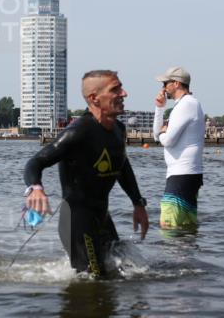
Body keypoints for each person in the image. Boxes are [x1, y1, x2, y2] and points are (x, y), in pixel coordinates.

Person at [24, 70, 148, 277]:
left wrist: (138, 203)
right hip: (77, 221)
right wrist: (35, 188)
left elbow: (122, 166)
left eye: (121, 88)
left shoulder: (118, 129)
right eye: (115, 90)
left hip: (102, 216)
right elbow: (35, 162)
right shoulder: (78, 131)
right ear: (94, 98)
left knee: (120, 273)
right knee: (93, 279)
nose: (124, 93)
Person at [153, 67, 204, 231]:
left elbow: (167, 140)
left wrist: (163, 133)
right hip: (186, 173)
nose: (163, 87)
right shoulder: (186, 104)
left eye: (165, 83)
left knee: (168, 225)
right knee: (186, 228)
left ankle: (171, 250)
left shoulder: (186, 105)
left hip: (182, 174)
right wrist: (159, 108)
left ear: (176, 83)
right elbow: (157, 136)